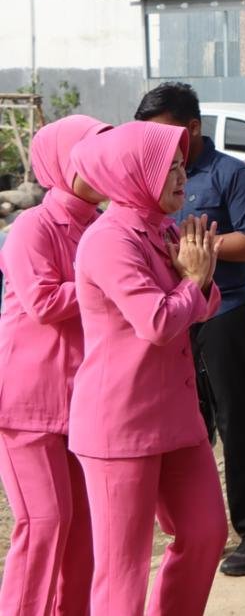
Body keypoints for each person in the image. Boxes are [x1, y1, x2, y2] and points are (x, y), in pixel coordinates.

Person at [69, 121, 228, 615]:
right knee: (123, 569)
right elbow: (157, 322)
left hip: (175, 416)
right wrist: (193, 282)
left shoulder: (162, 227)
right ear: (134, 174)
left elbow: (205, 304)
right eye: (168, 169)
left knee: (205, 532)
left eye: (182, 166)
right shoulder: (108, 240)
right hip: (120, 422)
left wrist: (199, 281)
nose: (182, 177)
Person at [135, 82, 245, 577]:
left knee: (239, 422)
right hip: (175, 316)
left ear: (192, 128)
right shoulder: (152, 175)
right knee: (186, 426)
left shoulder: (232, 175)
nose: (156, 146)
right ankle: (197, 532)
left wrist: (197, 251)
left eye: (163, 134)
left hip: (223, 313)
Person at [0, 115, 108, 615]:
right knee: (44, 523)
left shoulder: (105, 224)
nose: (101, 169)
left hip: (83, 399)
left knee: (85, 531)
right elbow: (43, 302)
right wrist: (107, 281)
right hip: (27, 401)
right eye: (89, 159)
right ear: (63, 163)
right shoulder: (32, 226)